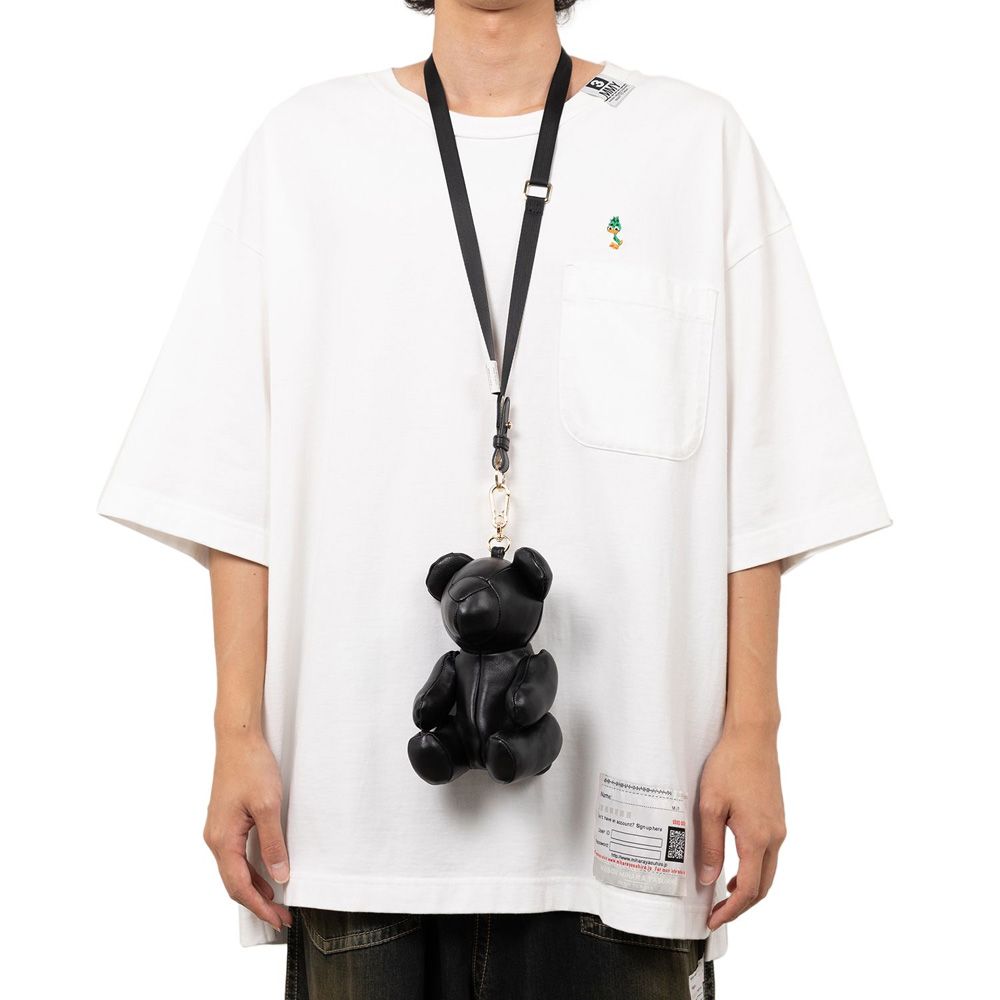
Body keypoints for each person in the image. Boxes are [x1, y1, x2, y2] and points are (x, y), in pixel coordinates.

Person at [97, 0, 891, 996]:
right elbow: (229, 483)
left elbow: (765, 481)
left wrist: (753, 733)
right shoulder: (303, 150)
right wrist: (236, 736)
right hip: (352, 831)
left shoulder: (692, 145)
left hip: (629, 824)